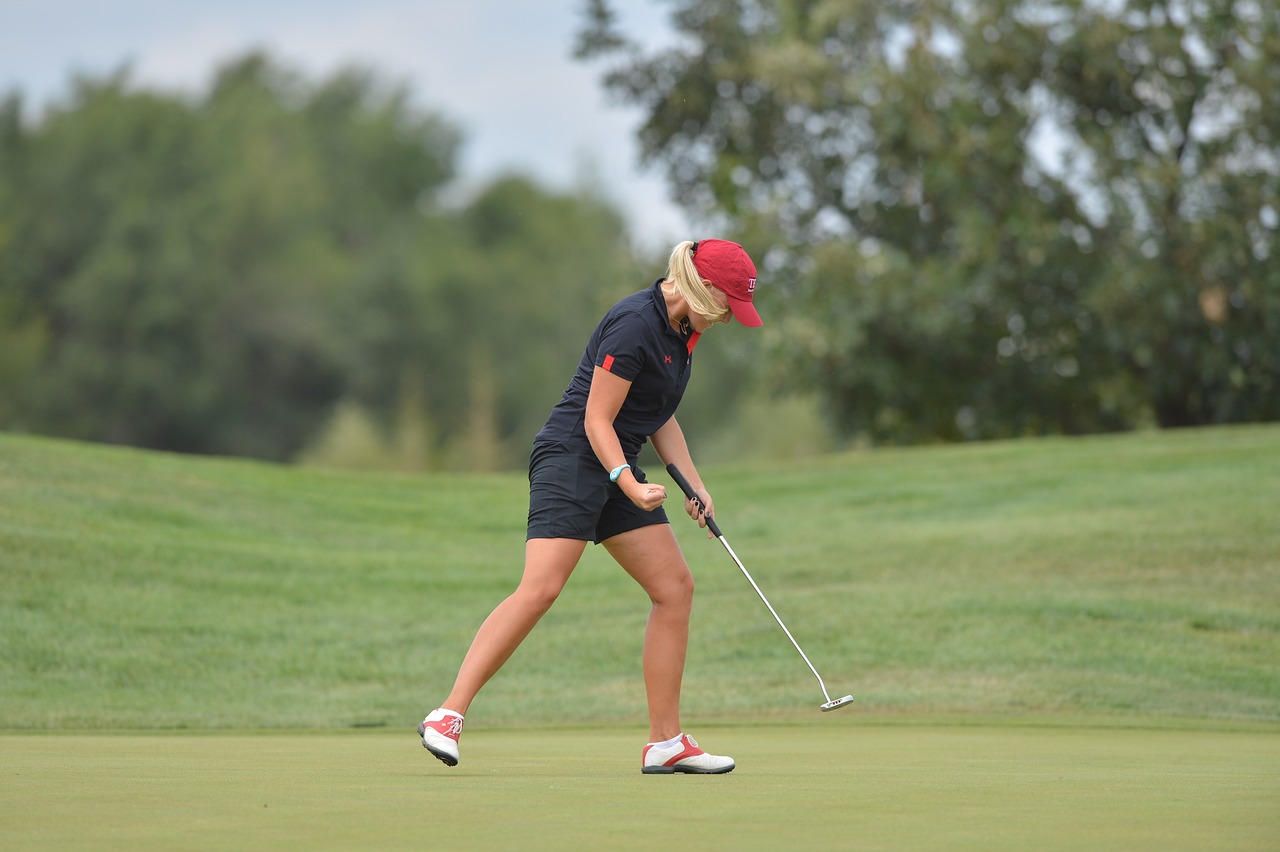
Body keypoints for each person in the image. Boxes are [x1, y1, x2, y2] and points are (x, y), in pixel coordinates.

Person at [418, 239, 762, 775]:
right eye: (726, 305)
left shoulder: (684, 331)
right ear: (704, 288)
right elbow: (595, 420)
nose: (725, 319)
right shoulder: (633, 325)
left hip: (615, 461)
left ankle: (665, 742)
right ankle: (447, 715)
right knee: (542, 587)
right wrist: (627, 483)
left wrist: (694, 484)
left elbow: (657, 414)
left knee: (675, 589)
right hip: (572, 457)